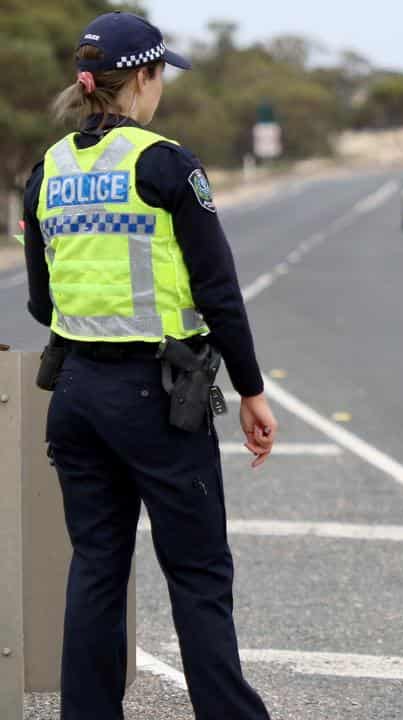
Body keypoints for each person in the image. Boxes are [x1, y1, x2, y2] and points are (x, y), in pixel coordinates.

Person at [22, 12, 276, 720]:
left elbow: (44, 303)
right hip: (159, 398)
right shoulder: (167, 165)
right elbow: (218, 291)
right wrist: (252, 393)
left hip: (74, 395)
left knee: (97, 566)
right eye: (160, 76)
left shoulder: (47, 170)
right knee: (197, 574)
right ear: (141, 78)